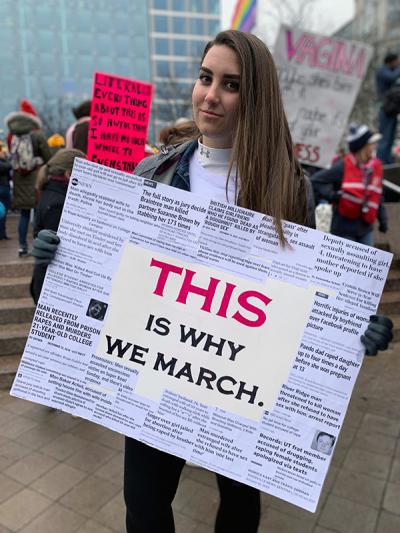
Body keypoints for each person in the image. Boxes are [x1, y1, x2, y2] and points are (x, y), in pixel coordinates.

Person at [31, 31, 393, 532]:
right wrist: (56, 262)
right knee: (143, 501)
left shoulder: (287, 188)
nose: (210, 95)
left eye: (231, 84)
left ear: (255, 96)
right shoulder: (152, 172)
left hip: (239, 381)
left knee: (241, 506)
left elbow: (306, 294)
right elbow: (114, 277)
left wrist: (354, 328)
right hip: (154, 369)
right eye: (206, 78)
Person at [311, 123, 387, 246]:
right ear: (363, 146)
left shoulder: (374, 167)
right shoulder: (343, 166)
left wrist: (382, 218)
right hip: (344, 228)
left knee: (367, 263)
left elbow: (377, 195)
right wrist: (333, 195)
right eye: (372, 144)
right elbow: (315, 180)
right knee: (347, 264)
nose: (375, 146)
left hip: (366, 228)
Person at [30, 148, 85, 304]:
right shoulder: (60, 204)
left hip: (45, 282)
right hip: (52, 287)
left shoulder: (50, 193)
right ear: (69, 174)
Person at [5, 99, 51, 256]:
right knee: (38, 213)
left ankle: (22, 246)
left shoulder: (12, 135)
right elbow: (48, 157)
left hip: (19, 179)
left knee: (24, 215)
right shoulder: (37, 135)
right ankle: (38, 245)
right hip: (36, 178)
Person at [375, 52, 400, 164]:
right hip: (385, 108)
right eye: (397, 61)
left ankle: (387, 160)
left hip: (392, 109)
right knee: (385, 137)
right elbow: (393, 77)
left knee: (390, 138)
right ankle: (381, 162)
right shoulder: (382, 71)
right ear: (391, 61)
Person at [0, 143, 11, 240]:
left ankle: (2, 233)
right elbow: (8, 166)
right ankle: (2, 234)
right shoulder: (2, 162)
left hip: (4, 187)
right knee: (3, 212)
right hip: (3, 188)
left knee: (3, 212)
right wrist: (4, 158)